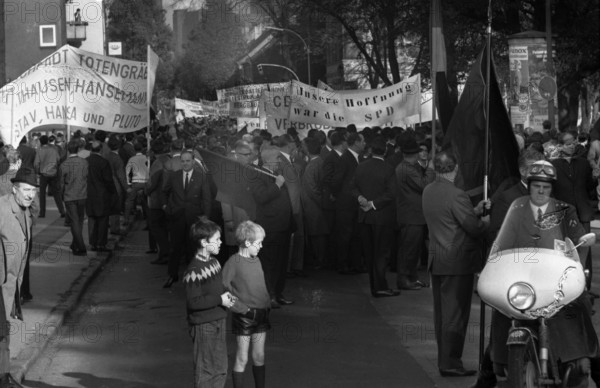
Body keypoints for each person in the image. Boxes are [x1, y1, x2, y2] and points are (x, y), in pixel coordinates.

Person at [485, 160, 600, 386]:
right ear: (529, 186)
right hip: (522, 278)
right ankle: (489, 369)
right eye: (536, 185)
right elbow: (503, 239)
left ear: (551, 188)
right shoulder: (516, 210)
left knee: (579, 306)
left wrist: (580, 248)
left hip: (555, 277)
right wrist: (495, 259)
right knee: (501, 310)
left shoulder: (565, 211)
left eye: (546, 187)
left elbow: (578, 237)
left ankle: (589, 364)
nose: (541, 191)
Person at [422, 151, 490, 377]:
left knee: (442, 314)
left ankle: (446, 359)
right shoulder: (457, 194)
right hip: (457, 261)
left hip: (438, 258)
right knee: (455, 316)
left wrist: (474, 212)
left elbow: (449, 218)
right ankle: (450, 362)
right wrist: (484, 220)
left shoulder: (428, 190)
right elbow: (473, 228)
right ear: (456, 168)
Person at [184, 217, 237, 388]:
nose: (221, 242)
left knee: (221, 367)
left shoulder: (214, 263)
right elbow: (194, 302)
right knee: (206, 369)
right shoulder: (193, 271)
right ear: (204, 242)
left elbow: (219, 287)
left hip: (219, 319)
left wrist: (227, 295)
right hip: (203, 325)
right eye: (216, 240)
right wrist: (219, 299)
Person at [0, 167, 37, 388]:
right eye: (25, 189)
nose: (30, 194)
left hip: (9, 284)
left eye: (33, 190)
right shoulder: (3, 209)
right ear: (15, 189)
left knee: (4, 331)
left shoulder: (25, 211)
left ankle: (4, 377)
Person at [222, 221, 271, 388]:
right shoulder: (233, 263)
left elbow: (259, 286)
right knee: (242, 357)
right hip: (244, 318)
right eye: (258, 243)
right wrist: (242, 309)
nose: (261, 246)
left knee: (259, 356)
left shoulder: (256, 260)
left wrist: (266, 304)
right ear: (247, 243)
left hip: (261, 315)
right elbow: (223, 290)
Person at [351, 136, 399, 297]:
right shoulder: (389, 168)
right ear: (385, 150)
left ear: (370, 150)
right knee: (381, 253)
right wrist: (372, 203)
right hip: (382, 217)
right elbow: (391, 194)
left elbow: (353, 187)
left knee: (370, 253)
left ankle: (375, 286)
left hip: (364, 217)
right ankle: (380, 287)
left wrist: (361, 199)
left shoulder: (361, 166)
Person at [162, 150, 211, 288]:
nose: (184, 163)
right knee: (175, 248)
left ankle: (193, 277)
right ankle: (172, 275)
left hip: (194, 219)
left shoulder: (201, 177)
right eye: (182, 161)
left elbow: (206, 199)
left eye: (187, 161)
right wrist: (165, 206)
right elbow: (164, 191)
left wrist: (205, 219)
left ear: (193, 161)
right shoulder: (174, 176)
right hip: (176, 217)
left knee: (193, 249)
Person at [395, 138, 434, 290]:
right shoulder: (406, 169)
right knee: (409, 249)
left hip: (414, 214)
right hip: (411, 215)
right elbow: (425, 185)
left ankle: (411, 277)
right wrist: (430, 169)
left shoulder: (408, 167)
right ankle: (404, 278)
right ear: (415, 154)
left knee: (413, 248)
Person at [58, 140, 88, 256]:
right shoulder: (84, 162)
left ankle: (80, 247)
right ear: (78, 150)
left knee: (75, 222)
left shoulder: (64, 164)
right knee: (79, 221)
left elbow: (60, 183)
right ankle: (75, 244)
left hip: (70, 196)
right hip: (82, 194)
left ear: (67, 150)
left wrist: (61, 195)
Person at [87, 141, 117, 252]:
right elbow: (108, 180)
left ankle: (92, 243)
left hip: (89, 194)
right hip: (102, 194)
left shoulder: (86, 161)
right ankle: (100, 243)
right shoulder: (104, 162)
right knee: (103, 220)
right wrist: (112, 192)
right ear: (100, 149)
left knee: (92, 219)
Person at [34, 134, 65, 218]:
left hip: (43, 174)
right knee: (57, 193)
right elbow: (58, 159)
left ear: (40, 142)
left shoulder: (40, 151)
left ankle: (42, 212)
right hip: (53, 173)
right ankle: (62, 211)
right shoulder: (53, 150)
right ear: (47, 141)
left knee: (42, 194)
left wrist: (38, 172)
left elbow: (36, 164)